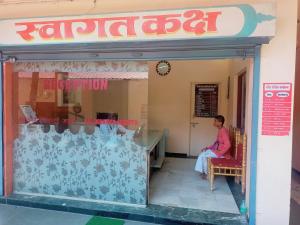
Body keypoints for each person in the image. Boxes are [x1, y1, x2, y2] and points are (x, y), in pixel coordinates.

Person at [194, 115, 231, 179]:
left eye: (215, 121)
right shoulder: (220, 130)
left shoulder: (223, 131)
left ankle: (208, 174)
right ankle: (204, 172)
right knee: (203, 153)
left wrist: (220, 153)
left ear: (220, 123)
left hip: (222, 153)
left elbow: (228, 145)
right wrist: (207, 148)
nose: (214, 122)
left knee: (204, 156)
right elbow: (216, 143)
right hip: (217, 150)